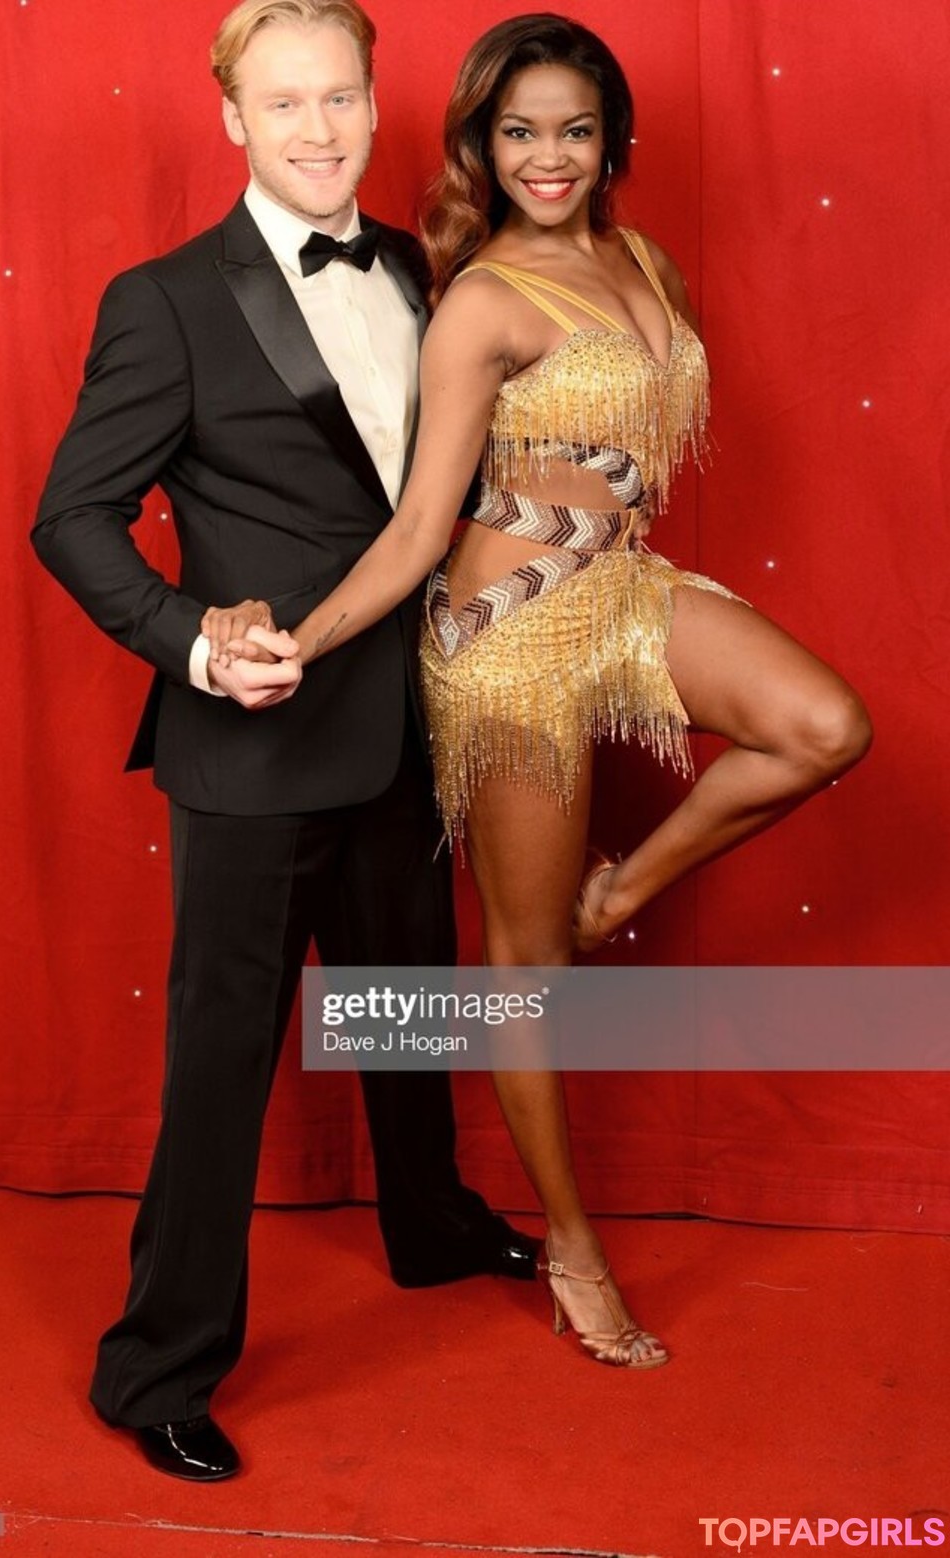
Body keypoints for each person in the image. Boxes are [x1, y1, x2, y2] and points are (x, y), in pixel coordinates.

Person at [209, 13, 873, 1370]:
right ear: (484, 145)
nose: (547, 157)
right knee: (529, 973)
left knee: (825, 726)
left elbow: (622, 458)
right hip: (505, 644)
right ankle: (571, 1246)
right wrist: (303, 642)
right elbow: (418, 526)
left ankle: (615, 894)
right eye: (518, 132)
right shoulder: (482, 301)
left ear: (611, 137)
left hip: (618, 592)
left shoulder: (644, 260)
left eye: (574, 129)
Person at [31, 0, 540, 1482]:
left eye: (341, 98)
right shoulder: (165, 301)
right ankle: (157, 1366)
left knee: (404, 998)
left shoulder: (423, 269)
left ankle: (429, 1223)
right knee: (225, 1060)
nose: (319, 130)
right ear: (233, 120)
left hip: (408, 718)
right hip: (250, 746)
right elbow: (72, 515)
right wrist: (194, 641)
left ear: (376, 106)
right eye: (284, 102)